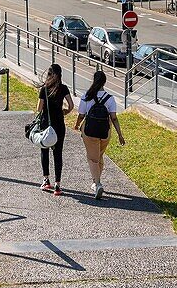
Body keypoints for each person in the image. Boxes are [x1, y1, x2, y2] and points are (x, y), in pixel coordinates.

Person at [75, 70, 125, 200]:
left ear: (94, 80)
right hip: (105, 132)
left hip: (89, 131)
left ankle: (97, 184)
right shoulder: (110, 98)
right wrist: (120, 134)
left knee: (93, 159)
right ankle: (96, 181)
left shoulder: (87, 96)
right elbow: (114, 118)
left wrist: (76, 125)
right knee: (99, 156)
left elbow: (81, 114)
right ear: (105, 82)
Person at [36, 63, 74, 195]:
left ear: (49, 74)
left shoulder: (44, 89)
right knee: (58, 153)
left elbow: (39, 109)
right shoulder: (63, 88)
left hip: (46, 124)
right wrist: (64, 112)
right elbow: (71, 105)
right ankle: (58, 185)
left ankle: (46, 180)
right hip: (59, 125)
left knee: (44, 151)